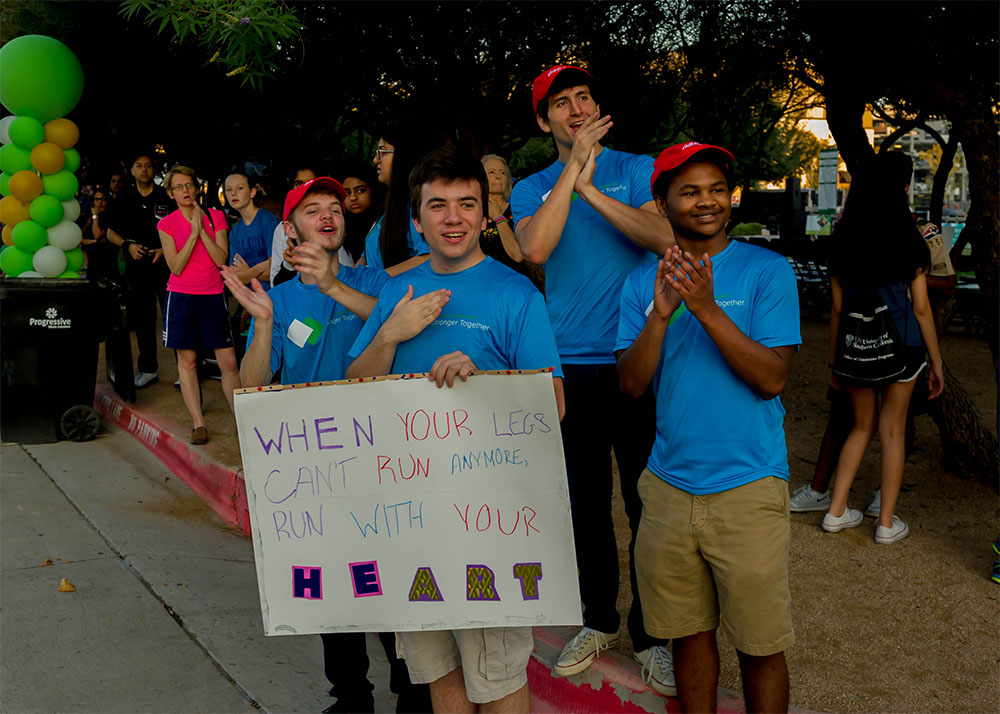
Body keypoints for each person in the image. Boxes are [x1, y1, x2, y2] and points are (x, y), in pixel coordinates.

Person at [347, 147, 565, 712]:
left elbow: (554, 405)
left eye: (466, 204)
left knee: (496, 678)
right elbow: (353, 389)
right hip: (411, 523)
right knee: (437, 674)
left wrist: (484, 382)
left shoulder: (517, 293)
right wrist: (389, 335)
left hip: (489, 525)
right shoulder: (399, 291)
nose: (452, 217)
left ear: (485, 213)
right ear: (416, 221)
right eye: (437, 206)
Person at [223, 176, 431, 714]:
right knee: (333, 590)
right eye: (312, 210)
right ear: (290, 230)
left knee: (391, 583)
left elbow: (397, 330)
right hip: (316, 473)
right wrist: (264, 324)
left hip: (384, 463)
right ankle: (351, 697)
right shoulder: (280, 298)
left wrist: (334, 286)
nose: (328, 216)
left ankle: (410, 691)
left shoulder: (377, 282)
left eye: (334, 207)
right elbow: (249, 388)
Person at [617, 142, 800, 712]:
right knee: (688, 636)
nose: (707, 202)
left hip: (748, 485)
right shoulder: (641, 284)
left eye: (717, 189)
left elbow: (773, 378)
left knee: (760, 644)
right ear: (662, 202)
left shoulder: (767, 270)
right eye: (690, 191)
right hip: (670, 487)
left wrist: (705, 307)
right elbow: (631, 383)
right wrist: (661, 311)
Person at [510, 64, 675, 691]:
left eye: (583, 95)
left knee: (645, 501)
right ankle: (598, 619)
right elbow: (535, 250)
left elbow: (664, 236)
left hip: (638, 359)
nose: (575, 107)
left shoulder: (640, 170)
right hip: (571, 364)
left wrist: (589, 184)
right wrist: (568, 177)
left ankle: (653, 635)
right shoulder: (531, 188)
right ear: (542, 120)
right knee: (584, 503)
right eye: (561, 102)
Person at [822, 153, 944, 544]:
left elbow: (837, 308)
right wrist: (936, 362)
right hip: (903, 348)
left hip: (855, 346)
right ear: (903, 189)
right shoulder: (909, 241)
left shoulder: (842, 242)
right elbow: (921, 308)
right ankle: (886, 524)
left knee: (860, 426)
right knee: (892, 433)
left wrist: (834, 361)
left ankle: (836, 511)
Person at [157, 165, 241, 444]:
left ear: (197, 188)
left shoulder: (216, 217)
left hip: (212, 295)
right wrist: (192, 234)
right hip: (181, 297)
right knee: (188, 360)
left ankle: (241, 419)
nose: (185, 191)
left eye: (189, 186)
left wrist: (202, 228)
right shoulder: (166, 224)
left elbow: (220, 259)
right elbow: (176, 267)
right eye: (178, 187)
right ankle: (198, 423)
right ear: (170, 193)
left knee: (228, 361)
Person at [105, 153, 174, 389]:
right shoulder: (123, 198)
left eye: (148, 166)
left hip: (167, 265)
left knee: (173, 316)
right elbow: (109, 233)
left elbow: (182, 230)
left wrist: (164, 250)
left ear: (154, 171)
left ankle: (185, 370)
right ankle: (148, 369)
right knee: (144, 321)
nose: (144, 169)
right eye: (139, 166)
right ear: (132, 171)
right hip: (137, 268)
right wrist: (128, 245)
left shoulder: (166, 196)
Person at [356, 126, 434, 274]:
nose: (375, 160)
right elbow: (365, 259)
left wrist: (378, 280)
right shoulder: (388, 206)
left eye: (382, 152)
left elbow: (428, 257)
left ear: (403, 155)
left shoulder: (416, 204)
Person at [480, 153, 544, 291]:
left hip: (521, 288)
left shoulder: (518, 210)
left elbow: (517, 255)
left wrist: (498, 217)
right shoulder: (475, 216)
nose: (498, 176)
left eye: (502, 172)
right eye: (491, 172)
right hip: (488, 289)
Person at [225, 170, 280, 291]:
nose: (233, 193)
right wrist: (259, 268)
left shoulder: (268, 222)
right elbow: (236, 277)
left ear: (252, 192)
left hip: (274, 296)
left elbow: (275, 271)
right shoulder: (235, 232)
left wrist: (247, 272)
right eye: (228, 190)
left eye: (239, 188)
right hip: (252, 299)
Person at [341, 162, 384, 264]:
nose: (353, 198)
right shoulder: (341, 226)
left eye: (360, 191)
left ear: (373, 190)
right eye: (347, 193)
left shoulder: (383, 221)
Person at [80, 187, 119, 283]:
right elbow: (80, 239)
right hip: (93, 262)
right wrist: (93, 241)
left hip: (108, 261)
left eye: (103, 199)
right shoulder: (89, 217)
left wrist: (96, 217)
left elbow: (97, 235)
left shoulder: (111, 217)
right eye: (96, 199)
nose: (99, 202)